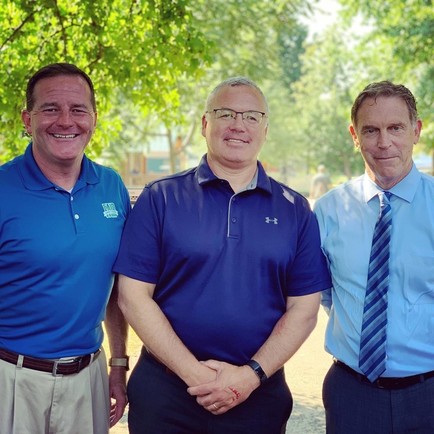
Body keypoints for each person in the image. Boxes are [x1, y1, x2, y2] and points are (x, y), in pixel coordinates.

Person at [113, 77, 331, 434]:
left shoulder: (296, 210)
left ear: (265, 129)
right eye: (226, 113)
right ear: (204, 124)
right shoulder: (160, 198)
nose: (238, 125)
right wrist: (194, 374)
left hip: (258, 395)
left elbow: (304, 310)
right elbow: (133, 297)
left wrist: (249, 377)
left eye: (250, 116)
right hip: (166, 395)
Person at [0, 63, 131, 434]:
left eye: (78, 109)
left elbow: (117, 288)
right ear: (27, 119)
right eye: (50, 109)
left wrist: (118, 364)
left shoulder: (112, 188)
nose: (65, 121)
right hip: (10, 380)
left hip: (88, 379)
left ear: (94, 117)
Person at [314, 81, 434, 433]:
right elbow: (324, 293)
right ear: (354, 135)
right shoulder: (328, 210)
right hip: (352, 392)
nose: (384, 143)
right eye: (371, 130)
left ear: (416, 130)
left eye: (395, 128)